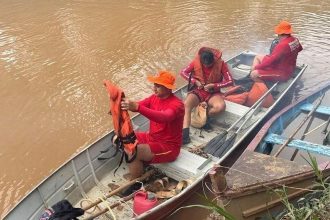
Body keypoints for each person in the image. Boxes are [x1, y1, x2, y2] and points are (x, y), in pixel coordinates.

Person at [119, 70, 184, 194]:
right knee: (121, 138)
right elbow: (138, 105)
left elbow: (164, 117)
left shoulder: (177, 105)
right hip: (152, 137)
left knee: (134, 151)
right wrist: (123, 104)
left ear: (168, 88)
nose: (154, 88)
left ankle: (136, 183)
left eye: (158, 86)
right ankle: (139, 167)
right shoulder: (154, 98)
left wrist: (138, 108)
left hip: (169, 147)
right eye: (154, 85)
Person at [180, 47, 234, 144]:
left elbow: (230, 81)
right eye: (205, 65)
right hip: (198, 90)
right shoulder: (195, 61)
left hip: (213, 93)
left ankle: (205, 118)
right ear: (201, 60)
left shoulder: (221, 63)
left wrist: (215, 85)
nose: (207, 66)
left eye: (210, 65)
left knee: (220, 107)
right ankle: (185, 135)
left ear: (213, 60)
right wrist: (195, 81)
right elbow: (183, 72)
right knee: (186, 105)